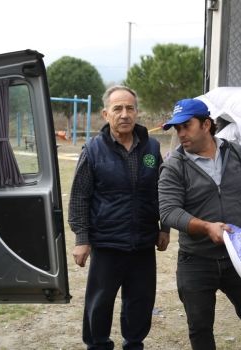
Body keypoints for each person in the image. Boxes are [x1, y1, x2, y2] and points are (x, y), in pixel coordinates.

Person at [158, 98, 241, 350]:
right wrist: (206, 227)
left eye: (186, 126)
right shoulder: (173, 166)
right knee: (200, 327)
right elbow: (169, 211)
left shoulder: (235, 152)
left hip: (238, 255)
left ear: (206, 124)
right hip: (196, 260)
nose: (181, 134)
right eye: (177, 128)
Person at [68, 85, 170, 350]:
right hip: (107, 243)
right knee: (99, 302)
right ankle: (98, 345)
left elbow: (162, 190)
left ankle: (134, 344)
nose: (124, 114)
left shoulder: (151, 147)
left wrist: (165, 227)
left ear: (137, 112)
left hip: (143, 243)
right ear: (105, 114)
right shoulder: (93, 149)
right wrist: (82, 238)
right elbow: (79, 196)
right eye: (118, 108)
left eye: (130, 108)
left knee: (140, 301)